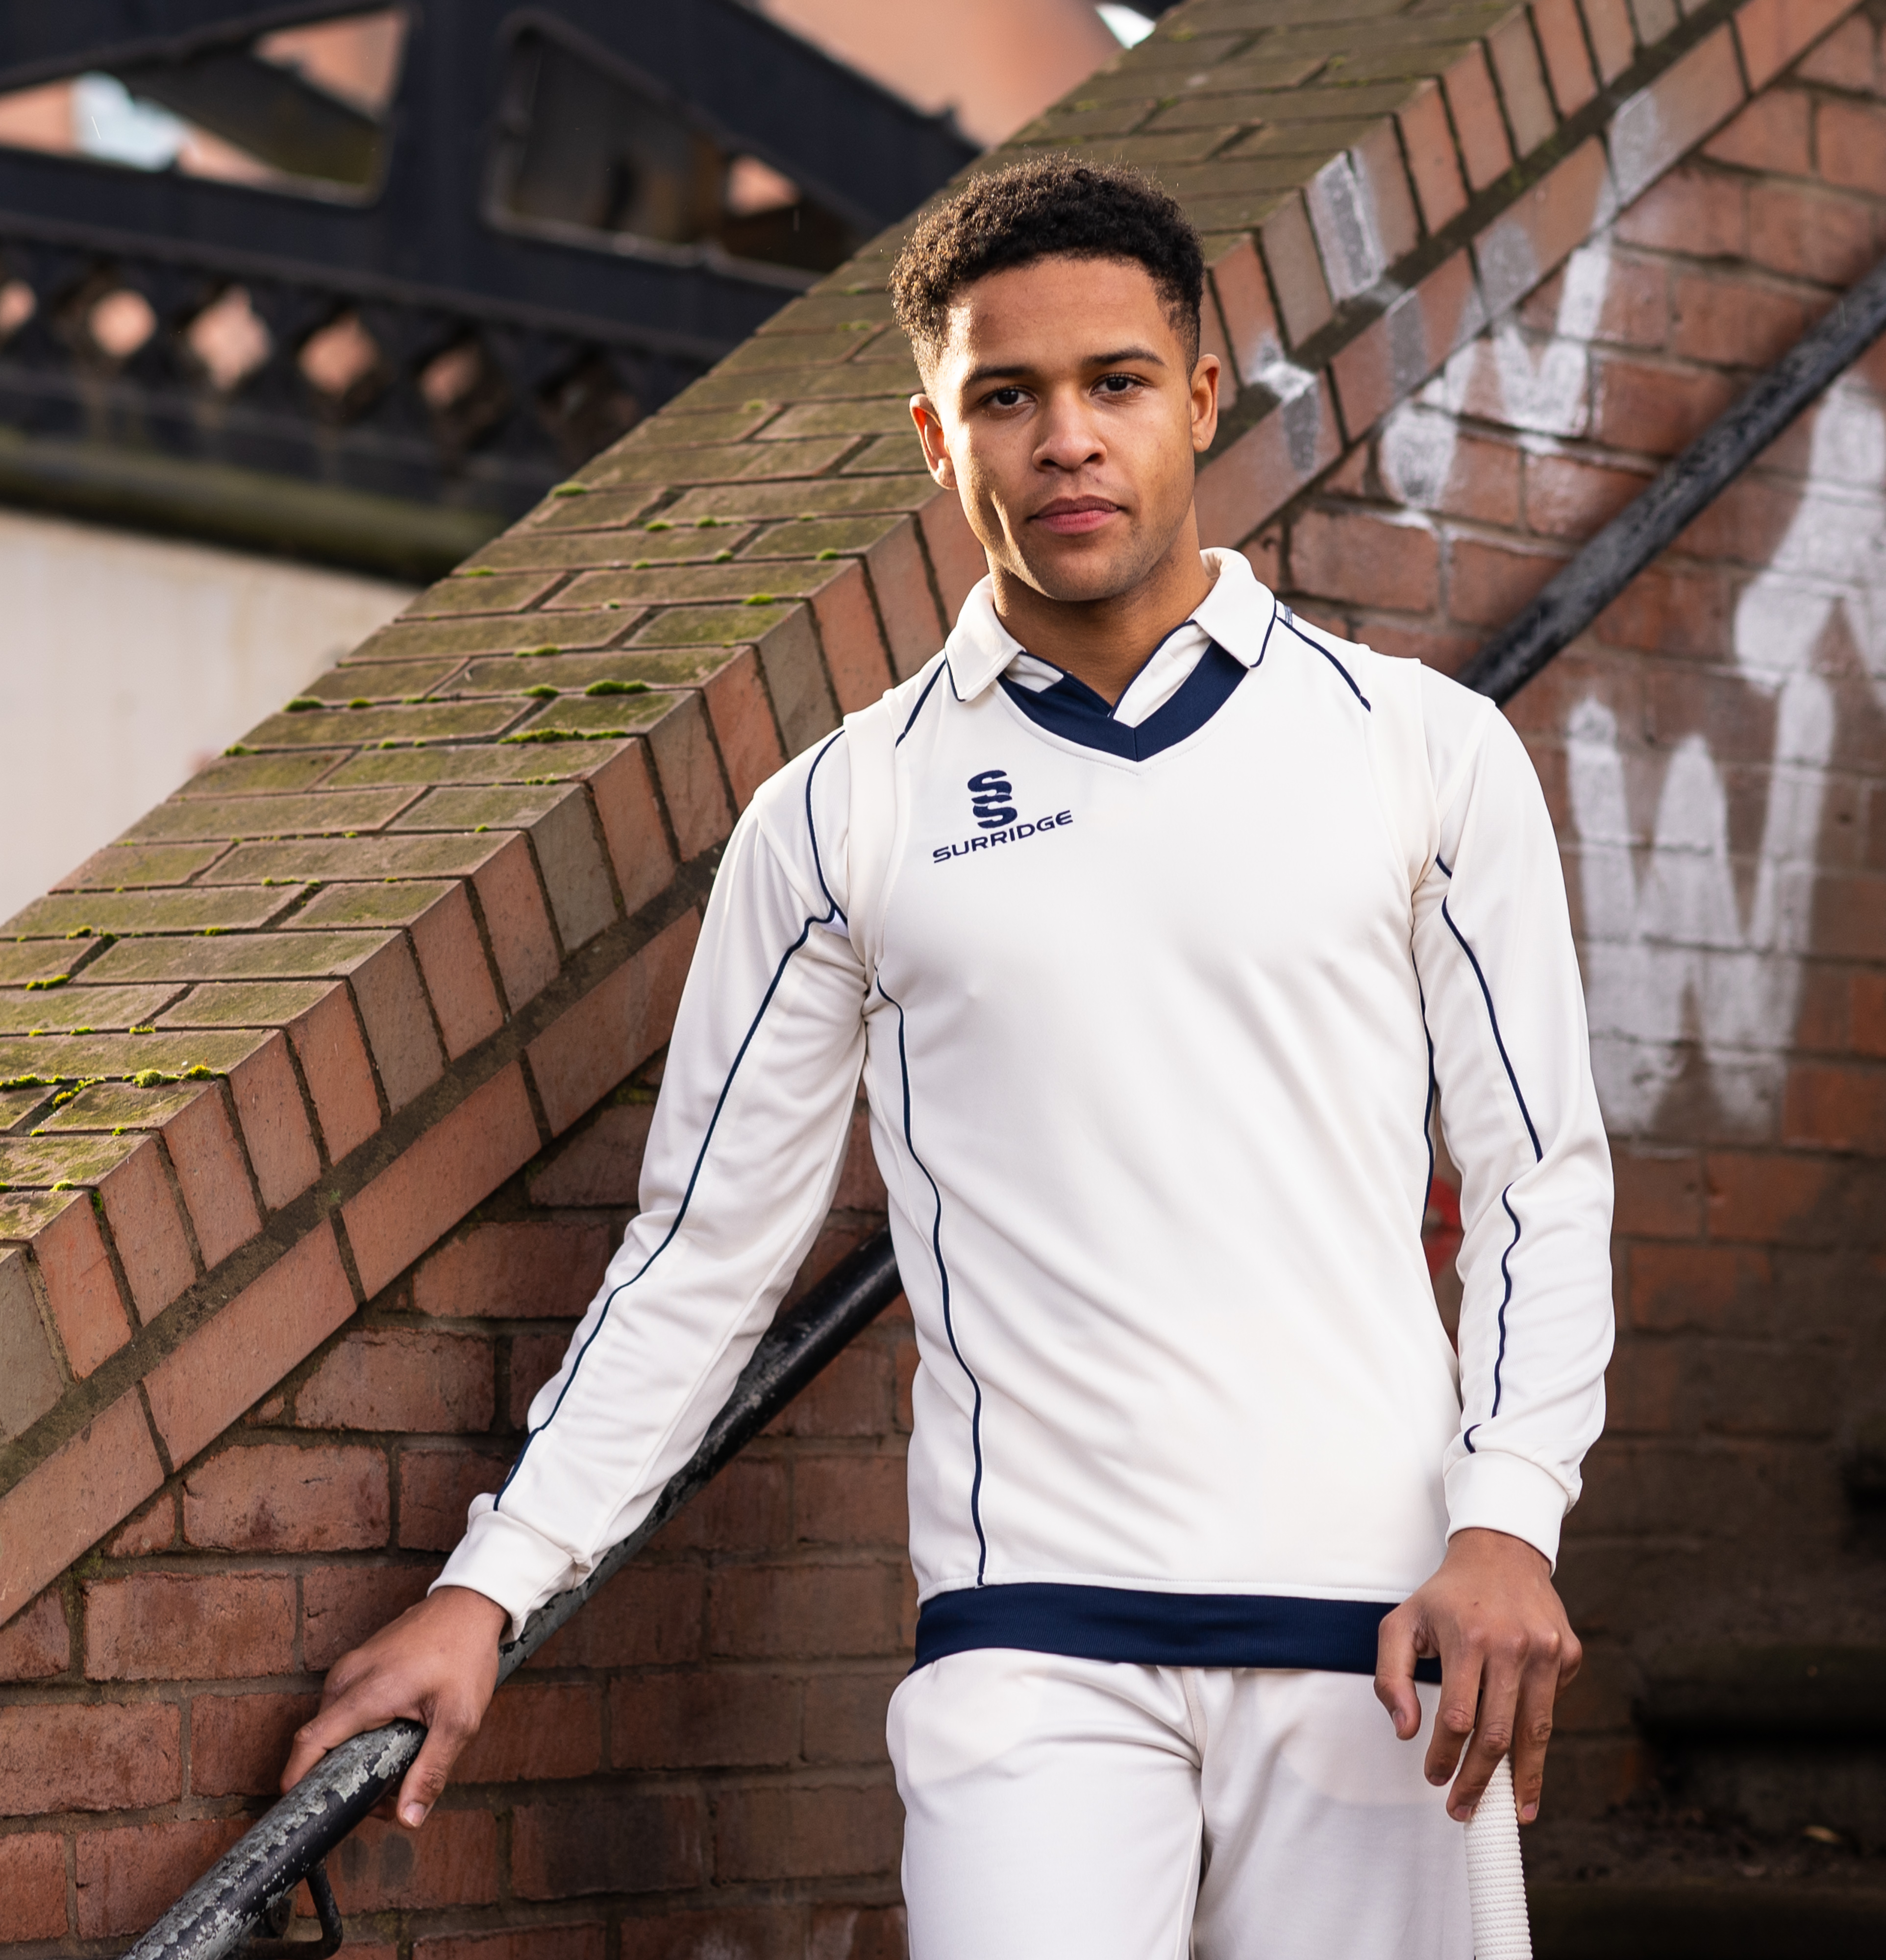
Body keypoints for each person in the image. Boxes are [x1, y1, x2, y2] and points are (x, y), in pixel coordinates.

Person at [285, 157, 1614, 1959]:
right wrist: (491, 1586)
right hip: (1030, 1646)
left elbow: (1541, 1181)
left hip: (1382, 1637)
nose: (1066, 438)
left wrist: (1511, 1519)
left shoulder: (1422, 752)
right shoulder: (842, 813)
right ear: (938, 438)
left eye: (1115, 382)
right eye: (1007, 396)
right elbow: (703, 1256)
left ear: (1198, 400)